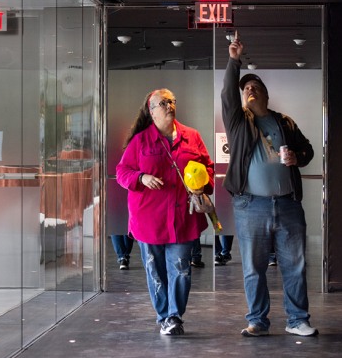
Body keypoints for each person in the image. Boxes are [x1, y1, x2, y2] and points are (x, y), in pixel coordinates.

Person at [222, 33, 318, 337]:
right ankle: (258, 322)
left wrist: (297, 159)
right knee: (253, 268)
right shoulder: (239, 122)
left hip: (288, 204)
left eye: (254, 87)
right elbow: (228, 94)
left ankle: (297, 320)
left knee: (295, 266)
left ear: (264, 94)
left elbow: (308, 151)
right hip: (251, 205)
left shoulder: (284, 122)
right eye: (245, 88)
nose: (249, 90)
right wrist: (233, 61)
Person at [116, 89, 214, 336]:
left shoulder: (192, 137)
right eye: (163, 102)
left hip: (183, 218)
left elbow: (208, 168)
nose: (169, 105)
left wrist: (204, 185)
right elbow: (122, 172)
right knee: (156, 271)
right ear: (152, 111)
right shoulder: (140, 141)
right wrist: (142, 176)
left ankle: (174, 316)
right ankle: (163, 316)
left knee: (181, 269)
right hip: (149, 219)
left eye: (171, 101)